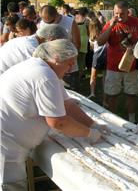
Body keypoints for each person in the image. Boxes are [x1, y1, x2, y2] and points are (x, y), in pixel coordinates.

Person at [0, 39, 109, 190]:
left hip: (9, 141)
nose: (71, 69)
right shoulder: (44, 75)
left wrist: (92, 124)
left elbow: (68, 105)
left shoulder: (42, 69)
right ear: (57, 58)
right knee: (9, 185)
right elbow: (58, 122)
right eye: (70, 63)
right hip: (6, 145)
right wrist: (90, 134)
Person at [97, 1, 138, 121]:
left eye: (122, 14)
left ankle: (131, 120)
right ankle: (114, 120)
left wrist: (136, 47)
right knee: (112, 95)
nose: (118, 16)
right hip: (114, 66)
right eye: (116, 13)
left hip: (131, 65)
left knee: (131, 94)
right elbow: (100, 41)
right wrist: (111, 26)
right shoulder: (110, 23)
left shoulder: (135, 22)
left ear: (127, 12)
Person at [39, 5, 81, 91]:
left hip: (68, 68)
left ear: (56, 15)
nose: (49, 25)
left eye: (51, 22)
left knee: (70, 93)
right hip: (51, 66)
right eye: (47, 23)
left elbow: (77, 45)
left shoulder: (70, 22)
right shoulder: (43, 23)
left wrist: (70, 64)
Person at [0, 24, 68, 75]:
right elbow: (40, 74)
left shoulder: (26, 40)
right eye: (58, 45)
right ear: (52, 40)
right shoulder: (33, 49)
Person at [87, 18, 107, 98]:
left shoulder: (91, 36)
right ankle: (105, 93)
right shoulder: (104, 33)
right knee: (105, 77)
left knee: (93, 76)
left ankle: (92, 93)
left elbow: (92, 49)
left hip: (96, 56)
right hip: (105, 55)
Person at [75, 7, 90, 79]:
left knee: (76, 59)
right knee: (82, 59)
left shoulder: (75, 18)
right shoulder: (87, 20)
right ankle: (81, 74)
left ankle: (77, 74)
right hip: (84, 40)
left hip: (76, 39)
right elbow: (88, 31)